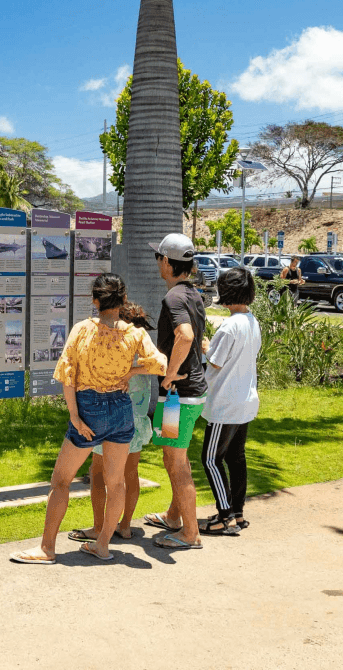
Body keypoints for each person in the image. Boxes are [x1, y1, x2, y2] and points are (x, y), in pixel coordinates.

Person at [11, 274, 167, 564]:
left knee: (61, 480)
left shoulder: (83, 330)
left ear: (95, 300)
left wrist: (75, 416)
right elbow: (160, 363)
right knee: (116, 481)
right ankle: (103, 544)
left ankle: (46, 548)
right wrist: (132, 372)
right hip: (121, 408)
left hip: (89, 407)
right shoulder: (135, 334)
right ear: (123, 300)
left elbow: (67, 375)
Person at [67, 302, 156, 544]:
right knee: (130, 474)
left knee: (98, 473)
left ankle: (99, 527)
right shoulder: (142, 346)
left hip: (111, 416)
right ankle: (125, 525)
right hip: (135, 420)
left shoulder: (118, 346)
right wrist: (135, 372)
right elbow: (158, 363)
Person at [144, 233, 207, 551]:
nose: (158, 262)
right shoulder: (193, 294)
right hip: (185, 395)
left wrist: (169, 376)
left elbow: (185, 335)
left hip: (179, 396)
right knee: (171, 456)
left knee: (178, 461)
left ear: (167, 262)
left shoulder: (173, 299)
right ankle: (173, 516)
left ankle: (190, 533)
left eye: (159, 257)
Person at [199, 268, 261, 536]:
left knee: (211, 459)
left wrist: (204, 347)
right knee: (237, 458)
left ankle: (225, 517)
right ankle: (237, 512)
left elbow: (215, 360)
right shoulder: (251, 321)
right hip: (245, 401)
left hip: (225, 404)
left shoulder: (229, 325)